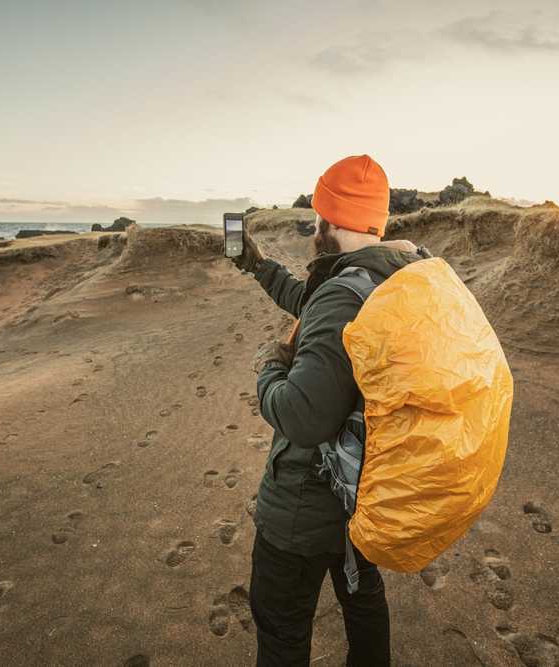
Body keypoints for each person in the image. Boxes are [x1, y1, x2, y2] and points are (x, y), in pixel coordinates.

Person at [230, 154, 432, 667]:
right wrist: (257, 265)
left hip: (304, 507)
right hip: (367, 492)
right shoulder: (391, 277)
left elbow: (303, 418)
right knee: (364, 606)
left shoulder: (343, 297)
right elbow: (312, 303)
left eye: (317, 219)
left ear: (331, 221)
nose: (313, 231)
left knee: (281, 630)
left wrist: (268, 368)